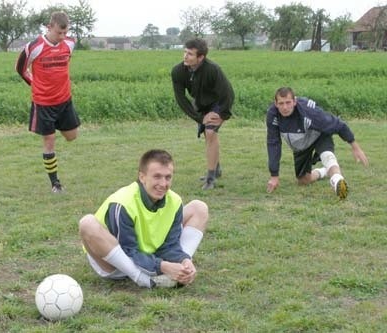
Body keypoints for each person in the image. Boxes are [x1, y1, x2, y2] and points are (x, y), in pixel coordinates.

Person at [79, 149, 208, 288]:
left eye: (168, 177)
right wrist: (162, 266)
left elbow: (170, 244)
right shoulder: (123, 203)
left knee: (199, 208)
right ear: (142, 177)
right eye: (157, 176)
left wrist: (184, 260)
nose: (163, 184)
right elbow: (127, 251)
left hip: (150, 255)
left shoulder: (174, 201)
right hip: (117, 263)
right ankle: (143, 280)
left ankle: (181, 270)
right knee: (87, 223)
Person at [16, 11, 80, 193]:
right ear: (49, 27)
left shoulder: (70, 44)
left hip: (64, 100)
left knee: (71, 137)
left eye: (65, 33)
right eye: (59, 33)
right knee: (49, 141)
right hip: (43, 103)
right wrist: (34, 84)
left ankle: (54, 126)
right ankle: (55, 184)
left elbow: (65, 64)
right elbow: (20, 69)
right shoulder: (34, 47)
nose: (62, 37)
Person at [266, 87, 368, 199]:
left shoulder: (309, 112)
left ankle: (337, 180)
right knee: (303, 181)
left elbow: (338, 124)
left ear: (294, 101)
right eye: (281, 103)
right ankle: (324, 172)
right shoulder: (273, 115)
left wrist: (355, 146)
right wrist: (274, 175)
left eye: (288, 102)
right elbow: (273, 142)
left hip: (318, 136)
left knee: (327, 156)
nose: (285, 107)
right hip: (300, 146)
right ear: (275, 104)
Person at [171, 38, 234, 190]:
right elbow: (181, 99)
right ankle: (216, 169)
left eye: (190, 54)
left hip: (218, 103)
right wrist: (200, 117)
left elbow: (228, 94)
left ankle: (211, 178)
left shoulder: (213, 70)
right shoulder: (178, 71)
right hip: (200, 105)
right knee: (208, 135)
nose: (185, 56)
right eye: (185, 52)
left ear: (201, 57)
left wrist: (222, 115)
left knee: (211, 133)